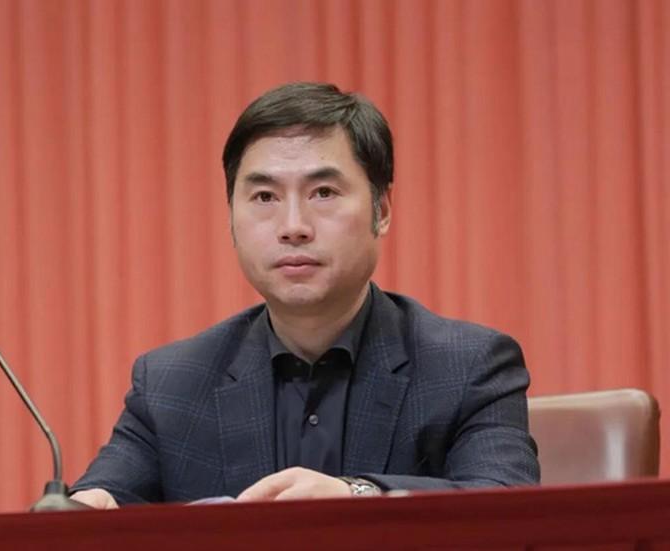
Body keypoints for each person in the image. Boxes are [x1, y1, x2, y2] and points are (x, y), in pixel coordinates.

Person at [71, 82, 539, 509]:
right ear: (230, 217)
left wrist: (358, 495)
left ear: (381, 210)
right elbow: (101, 497)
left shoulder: (468, 367)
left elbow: (507, 503)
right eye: (265, 198)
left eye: (323, 192)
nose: (293, 226)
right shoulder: (171, 385)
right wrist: (82, 510)